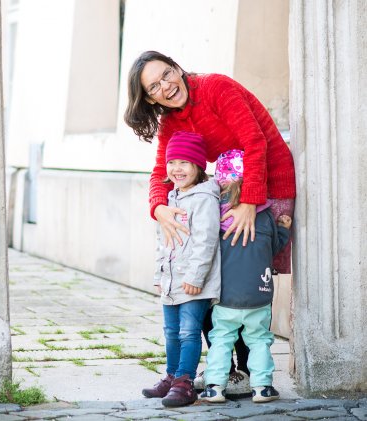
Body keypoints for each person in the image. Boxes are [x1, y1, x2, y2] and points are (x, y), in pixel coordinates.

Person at [124, 50, 296, 395]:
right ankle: (224, 368)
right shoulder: (171, 122)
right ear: (149, 98)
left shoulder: (216, 87)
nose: (165, 86)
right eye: (154, 87)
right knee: (208, 276)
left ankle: (246, 371)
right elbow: (160, 171)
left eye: (166, 74)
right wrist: (158, 207)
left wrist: (250, 202)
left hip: (267, 184)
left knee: (243, 281)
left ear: (177, 68)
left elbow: (255, 142)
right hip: (230, 191)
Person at [199, 149, 291, 403]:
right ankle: (262, 387)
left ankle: (215, 387)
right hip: (258, 295)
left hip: (226, 296)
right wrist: (284, 229)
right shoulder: (265, 216)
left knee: (221, 339)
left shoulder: (215, 215)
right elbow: (273, 248)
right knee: (259, 340)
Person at [140, 131, 221, 407]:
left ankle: (185, 382)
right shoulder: (170, 198)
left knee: (188, 332)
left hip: (194, 283)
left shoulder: (204, 198)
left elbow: (206, 241)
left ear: (198, 165)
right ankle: (171, 376)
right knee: (171, 332)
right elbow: (164, 242)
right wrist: (159, 275)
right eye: (172, 162)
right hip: (171, 281)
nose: (177, 168)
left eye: (184, 162)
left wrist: (196, 277)